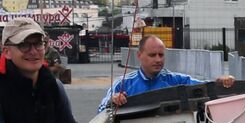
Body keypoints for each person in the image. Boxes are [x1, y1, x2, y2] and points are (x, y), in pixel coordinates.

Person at [98, 35, 235, 111]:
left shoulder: (177, 80)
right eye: (152, 55)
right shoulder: (123, 83)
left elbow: (205, 87)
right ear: (139, 56)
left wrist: (221, 81)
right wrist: (113, 100)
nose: (158, 59)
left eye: (161, 55)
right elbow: (101, 110)